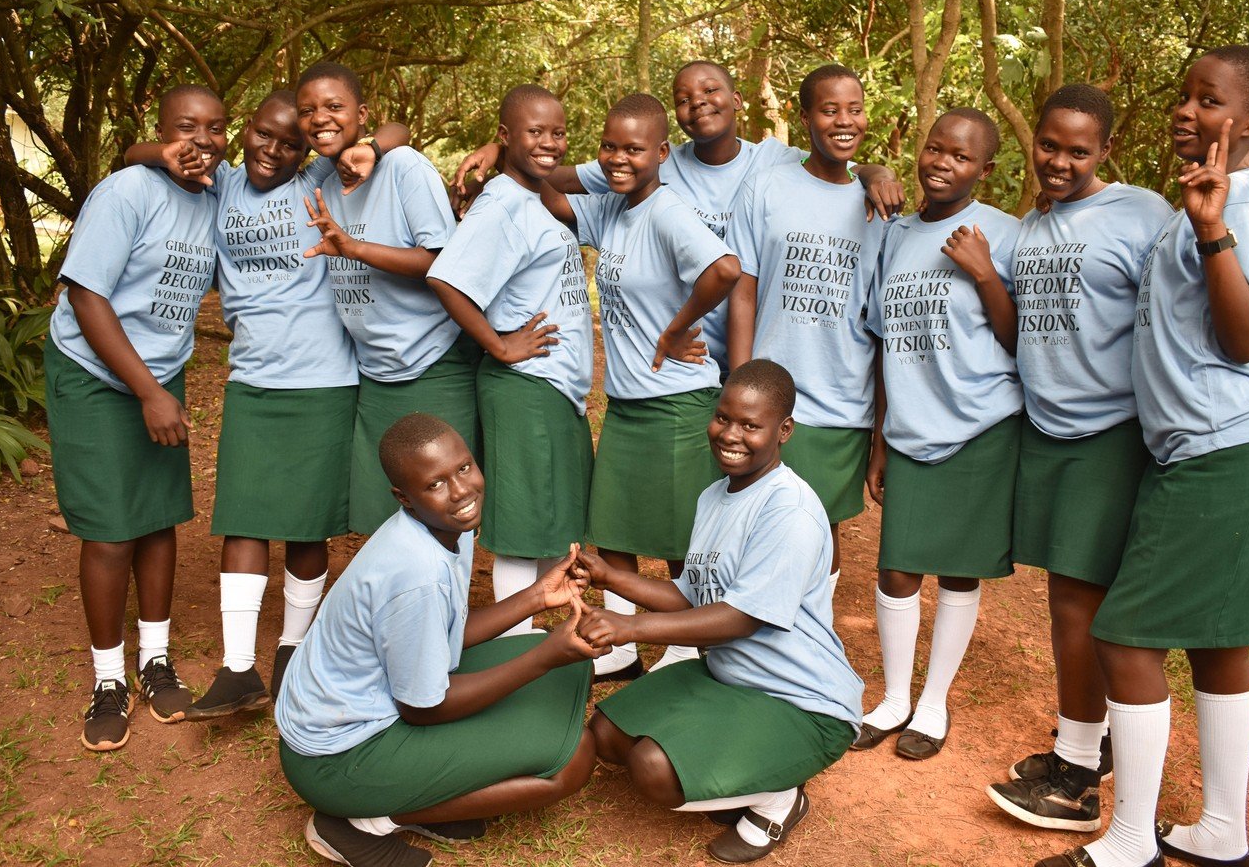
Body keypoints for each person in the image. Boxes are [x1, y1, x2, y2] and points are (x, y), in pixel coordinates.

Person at [1036, 47, 1249, 867]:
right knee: (1220, 641)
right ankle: (1222, 832)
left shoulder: (1234, 201)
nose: (1186, 111)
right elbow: (1236, 328)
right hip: (1230, 444)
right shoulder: (1195, 202)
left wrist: (1214, 229)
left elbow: (1234, 339)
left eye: (1209, 100)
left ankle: (1129, 842)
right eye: (1183, 96)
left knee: (1124, 638)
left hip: (1223, 449)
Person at [123, 93, 409, 717]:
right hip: (252, 377)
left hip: (324, 378)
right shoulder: (221, 182)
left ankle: (292, 648)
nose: (273, 151)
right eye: (263, 135)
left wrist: (372, 146)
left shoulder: (316, 178)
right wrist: (165, 149)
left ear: (305, 151)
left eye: (289, 142)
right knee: (245, 518)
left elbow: (394, 126)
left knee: (307, 524)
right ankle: (236, 668)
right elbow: (135, 153)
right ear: (245, 131)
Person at [276, 414, 603, 867]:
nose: (461, 492)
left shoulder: (446, 529)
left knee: (557, 662)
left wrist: (535, 597)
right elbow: (424, 709)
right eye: (435, 485)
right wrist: (547, 657)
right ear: (404, 498)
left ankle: (417, 795)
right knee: (573, 761)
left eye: (464, 468)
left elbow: (440, 637)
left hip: (362, 713)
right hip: (337, 759)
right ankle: (359, 822)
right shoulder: (416, 572)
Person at [575, 360, 863, 864]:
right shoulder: (714, 496)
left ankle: (779, 798)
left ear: (784, 430)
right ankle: (740, 762)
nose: (731, 434)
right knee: (606, 737)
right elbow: (693, 595)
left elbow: (740, 618)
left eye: (751, 425)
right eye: (723, 418)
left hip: (800, 699)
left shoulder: (788, 509)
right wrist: (610, 575)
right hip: (729, 677)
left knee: (652, 771)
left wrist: (630, 627)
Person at [982, 85, 1174, 830]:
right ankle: (1081, 746)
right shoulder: (1032, 225)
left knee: (1077, 603)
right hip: (1049, 430)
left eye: (1077, 150)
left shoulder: (1140, 213)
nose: (1058, 161)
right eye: (1048, 144)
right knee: (1068, 602)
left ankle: (1073, 779)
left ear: (1104, 151)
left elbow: (1180, 305)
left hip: (1112, 430)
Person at [452, 60, 904, 374]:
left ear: (738, 99)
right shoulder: (653, 165)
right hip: (686, 359)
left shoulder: (775, 162)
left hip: (757, 351)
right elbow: (553, 174)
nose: (700, 103)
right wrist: (502, 151)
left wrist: (876, 171)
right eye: (685, 99)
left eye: (711, 91)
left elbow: (834, 165)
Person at [45, 84, 226, 751]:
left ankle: (155, 659)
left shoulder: (217, 191)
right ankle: (106, 679)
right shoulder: (125, 193)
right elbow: (87, 298)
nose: (201, 139)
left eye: (215, 127)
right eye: (186, 127)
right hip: (96, 370)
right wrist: (149, 391)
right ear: (161, 129)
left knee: (155, 517)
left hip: (158, 368)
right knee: (112, 532)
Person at [540, 93, 741, 678]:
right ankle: (624, 644)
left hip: (677, 404)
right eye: (608, 146)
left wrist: (677, 328)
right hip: (628, 405)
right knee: (615, 530)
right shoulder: (612, 209)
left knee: (681, 540)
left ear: (662, 152)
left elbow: (724, 269)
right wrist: (538, 155)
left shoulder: (668, 212)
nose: (617, 158)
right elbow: (547, 188)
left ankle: (683, 644)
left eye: (633, 148)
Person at [854, 108, 1022, 761]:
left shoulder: (1003, 234)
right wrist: (879, 439)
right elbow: (882, 343)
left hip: (979, 424)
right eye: (934, 148)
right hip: (909, 425)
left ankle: (932, 702)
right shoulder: (893, 234)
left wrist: (983, 272)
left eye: (959, 156)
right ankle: (894, 697)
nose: (941, 162)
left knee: (955, 571)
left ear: (984, 170)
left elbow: (1019, 341)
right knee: (896, 567)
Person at [427, 85, 594, 633]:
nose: (549, 142)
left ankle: (547, 648)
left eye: (558, 132)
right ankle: (512, 650)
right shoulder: (500, 204)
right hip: (526, 384)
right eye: (534, 132)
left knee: (553, 525)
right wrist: (500, 345)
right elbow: (447, 279)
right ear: (505, 137)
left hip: (553, 390)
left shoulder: (532, 196)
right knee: (523, 530)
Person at [295, 61, 480, 536]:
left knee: (445, 515)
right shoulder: (323, 180)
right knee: (386, 519)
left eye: (335, 107)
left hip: (432, 362)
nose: (320, 118)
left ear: (361, 113)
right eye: (307, 111)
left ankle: (443, 611)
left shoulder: (402, 166)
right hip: (375, 374)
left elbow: (442, 260)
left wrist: (355, 249)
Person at [726, 63, 882, 593]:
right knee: (748, 515)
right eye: (830, 109)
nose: (844, 121)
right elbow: (744, 287)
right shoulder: (766, 186)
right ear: (804, 116)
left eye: (855, 109)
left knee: (820, 525)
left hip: (840, 397)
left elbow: (880, 318)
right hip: (771, 390)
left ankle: (814, 638)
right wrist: (742, 377)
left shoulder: (879, 204)